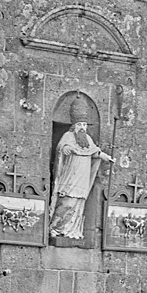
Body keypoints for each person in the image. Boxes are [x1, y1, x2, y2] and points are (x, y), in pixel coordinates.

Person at [49, 95, 113, 241]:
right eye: (80, 125)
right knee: (67, 202)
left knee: (78, 205)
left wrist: (104, 156)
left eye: (84, 125)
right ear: (74, 126)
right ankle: (56, 228)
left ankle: (73, 230)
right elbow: (61, 147)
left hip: (82, 178)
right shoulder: (68, 136)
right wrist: (64, 149)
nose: (83, 128)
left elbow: (94, 151)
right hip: (70, 176)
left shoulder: (88, 139)